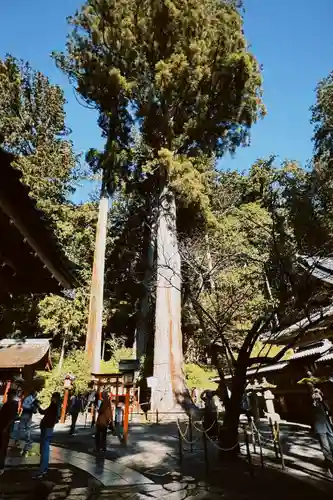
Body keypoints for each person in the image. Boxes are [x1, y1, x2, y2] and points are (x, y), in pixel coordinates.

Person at [35, 392, 61, 479]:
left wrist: (38, 406)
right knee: (44, 448)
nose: (51, 399)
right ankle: (43, 467)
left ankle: (43, 469)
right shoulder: (54, 406)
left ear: (55, 398)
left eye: (53, 397)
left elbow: (45, 413)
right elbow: (43, 412)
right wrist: (38, 406)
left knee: (45, 448)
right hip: (48, 428)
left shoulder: (54, 406)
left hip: (47, 428)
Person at [312, 388, 333, 473]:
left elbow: (329, 411)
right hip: (320, 428)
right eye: (316, 393)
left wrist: (322, 400)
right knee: (326, 447)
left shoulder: (324, 403)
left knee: (332, 445)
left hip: (328, 427)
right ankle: (331, 465)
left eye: (319, 393)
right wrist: (315, 400)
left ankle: (327, 462)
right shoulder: (313, 404)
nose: (317, 395)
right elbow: (313, 410)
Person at [0, 389, 19, 475]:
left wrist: (6, 428)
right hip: (3, 427)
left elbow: (11, 418)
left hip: (5, 428)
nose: (8, 396)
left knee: (2, 448)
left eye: (10, 395)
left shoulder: (11, 405)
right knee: (2, 447)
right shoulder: (9, 404)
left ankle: (1, 467)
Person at [16, 390, 38, 455]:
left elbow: (35, 407)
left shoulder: (34, 399)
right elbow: (24, 406)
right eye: (36, 393)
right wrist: (31, 407)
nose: (36, 394)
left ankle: (27, 438)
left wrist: (35, 408)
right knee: (21, 427)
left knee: (28, 427)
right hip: (25, 414)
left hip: (29, 415)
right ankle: (18, 439)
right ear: (33, 393)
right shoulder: (28, 398)